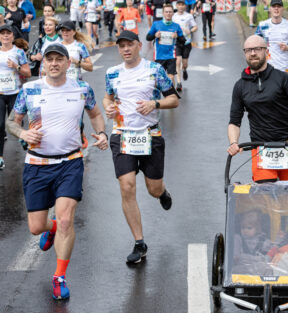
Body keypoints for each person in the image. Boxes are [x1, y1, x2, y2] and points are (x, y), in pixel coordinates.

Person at [6, 43, 108, 300]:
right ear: (44, 64)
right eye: (49, 59)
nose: (53, 63)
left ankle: (59, 277)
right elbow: (11, 121)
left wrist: (102, 132)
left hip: (70, 162)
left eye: (58, 59)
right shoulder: (29, 90)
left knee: (66, 220)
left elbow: (95, 113)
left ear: (67, 63)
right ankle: (49, 228)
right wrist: (23, 132)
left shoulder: (81, 89)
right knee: (35, 227)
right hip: (37, 165)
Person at [103, 31, 179, 263]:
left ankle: (162, 192)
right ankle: (139, 243)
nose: (126, 49)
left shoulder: (154, 69)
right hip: (122, 135)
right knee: (127, 187)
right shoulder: (112, 72)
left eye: (130, 45)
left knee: (152, 189)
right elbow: (108, 97)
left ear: (138, 45)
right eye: (122, 46)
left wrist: (154, 103)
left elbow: (173, 99)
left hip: (150, 135)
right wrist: (108, 107)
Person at [227, 35, 288, 183]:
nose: (253, 53)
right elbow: (234, 122)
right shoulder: (240, 86)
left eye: (257, 49)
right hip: (261, 148)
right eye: (248, 50)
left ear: (266, 52)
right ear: (245, 54)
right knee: (265, 197)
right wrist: (233, 142)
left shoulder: (282, 78)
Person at [0, 24, 30, 169]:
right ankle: (0, 157)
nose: (5, 36)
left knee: (16, 124)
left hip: (15, 93)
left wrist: (16, 66)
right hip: (0, 94)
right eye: (3, 33)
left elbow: (28, 73)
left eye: (8, 34)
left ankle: (23, 138)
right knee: (0, 125)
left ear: (12, 36)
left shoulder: (19, 52)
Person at [255, 0, 288, 76]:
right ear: (270, 9)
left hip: (285, 68)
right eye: (274, 6)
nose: (276, 9)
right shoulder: (262, 25)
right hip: (268, 68)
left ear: (282, 9)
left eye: (279, 6)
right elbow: (255, 44)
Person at [146, 4, 184, 87]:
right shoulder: (156, 24)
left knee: (171, 78)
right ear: (163, 13)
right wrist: (155, 35)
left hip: (171, 56)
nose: (168, 13)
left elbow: (183, 41)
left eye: (170, 12)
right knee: (158, 80)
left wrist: (177, 37)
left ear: (173, 13)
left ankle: (171, 96)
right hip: (159, 56)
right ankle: (157, 97)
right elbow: (148, 38)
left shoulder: (176, 26)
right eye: (166, 12)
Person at [172, 0, 196, 91]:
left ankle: (185, 70)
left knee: (184, 63)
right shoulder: (173, 16)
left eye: (182, 5)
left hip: (187, 42)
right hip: (177, 42)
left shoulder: (189, 16)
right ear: (176, 6)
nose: (181, 6)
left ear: (185, 6)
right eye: (179, 5)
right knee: (178, 61)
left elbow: (195, 27)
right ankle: (179, 83)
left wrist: (190, 30)